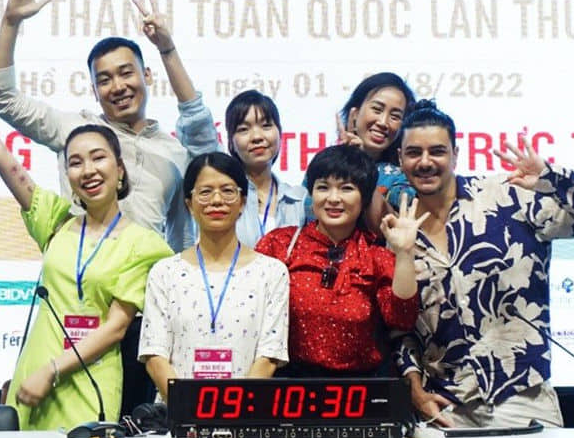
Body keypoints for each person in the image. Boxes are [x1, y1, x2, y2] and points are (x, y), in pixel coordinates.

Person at [0, 51, 173, 431]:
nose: (88, 170)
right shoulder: (56, 222)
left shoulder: (145, 245)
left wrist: (52, 371)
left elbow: (116, 328)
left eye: (98, 158)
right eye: (75, 162)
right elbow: (3, 158)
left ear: (119, 169)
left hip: (87, 381)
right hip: (32, 379)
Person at [392, 99, 574, 428]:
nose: (425, 162)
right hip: (446, 405)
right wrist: (415, 392)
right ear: (400, 159)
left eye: (437, 151)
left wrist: (549, 178)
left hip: (521, 394)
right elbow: (400, 329)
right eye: (414, 153)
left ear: (455, 154)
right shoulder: (397, 231)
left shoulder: (509, 196)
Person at [0, 0, 218, 253]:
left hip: (144, 277)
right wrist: (10, 23)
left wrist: (167, 50)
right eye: (105, 80)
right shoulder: (76, 130)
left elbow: (181, 239)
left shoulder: (174, 154)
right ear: (94, 91)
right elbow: (2, 97)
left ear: (147, 76)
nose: (118, 86)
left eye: (126, 73)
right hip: (80, 272)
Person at [256, 145, 423, 377]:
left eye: (346, 188)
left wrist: (404, 254)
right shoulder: (279, 244)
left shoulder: (376, 256)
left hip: (359, 387)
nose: (333, 199)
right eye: (323, 187)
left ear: (364, 198)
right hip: (286, 383)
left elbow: (402, 318)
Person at [138, 153, 290, 400]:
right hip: (177, 414)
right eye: (205, 192)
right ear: (189, 203)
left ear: (243, 202)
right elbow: (155, 355)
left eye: (228, 191)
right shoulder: (165, 273)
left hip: (244, 412)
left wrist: (233, 409)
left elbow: (269, 355)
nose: (217, 200)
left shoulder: (272, 273)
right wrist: (189, 410)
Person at [313, 73, 418, 231]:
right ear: (355, 113)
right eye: (377, 109)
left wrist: (362, 163)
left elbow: (388, 228)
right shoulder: (323, 165)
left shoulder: (401, 177)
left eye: (395, 116)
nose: (383, 122)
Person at [222, 90, 306, 247]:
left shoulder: (298, 201)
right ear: (231, 141)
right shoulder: (221, 198)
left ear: (279, 132)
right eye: (243, 129)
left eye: (266, 125)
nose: (257, 137)